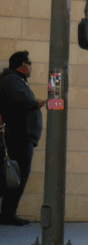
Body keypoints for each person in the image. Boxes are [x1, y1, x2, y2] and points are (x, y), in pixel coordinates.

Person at [0, 51, 46, 226]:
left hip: (22, 137)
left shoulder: (17, 80)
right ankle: (8, 215)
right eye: (30, 63)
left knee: (13, 177)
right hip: (18, 137)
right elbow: (21, 102)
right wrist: (36, 103)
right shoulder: (11, 79)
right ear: (23, 65)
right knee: (15, 177)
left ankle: (8, 214)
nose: (31, 66)